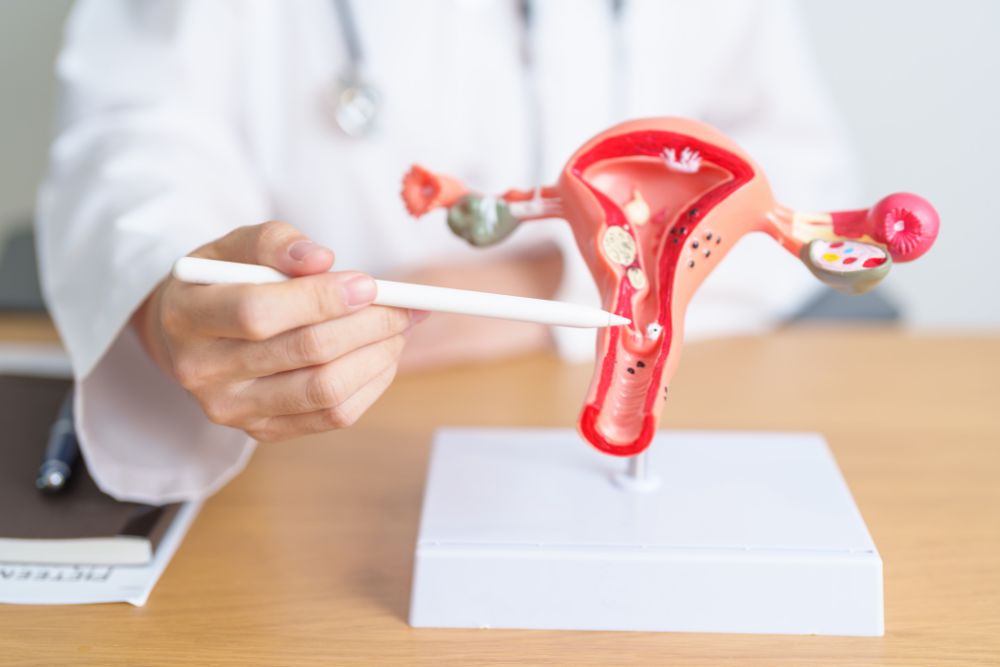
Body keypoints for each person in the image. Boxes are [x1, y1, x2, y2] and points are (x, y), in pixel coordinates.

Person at [37, 0, 857, 504]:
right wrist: (174, 300)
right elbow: (136, 141)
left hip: (573, 379)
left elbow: (795, 167)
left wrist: (533, 286)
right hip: (316, 456)